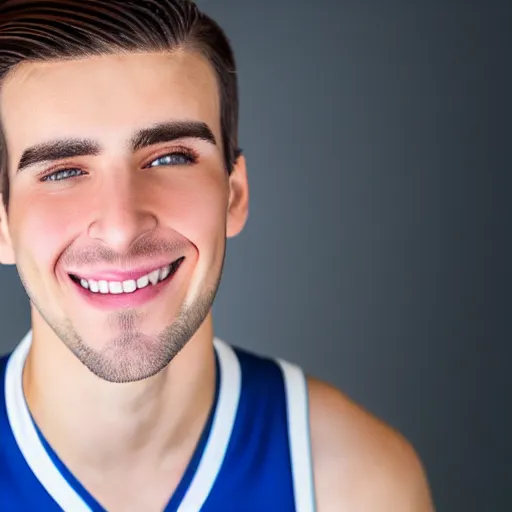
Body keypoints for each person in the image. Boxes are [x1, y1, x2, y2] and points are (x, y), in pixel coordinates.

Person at [0, 1, 434, 510]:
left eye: (169, 157)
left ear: (234, 194)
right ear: (2, 223)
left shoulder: (352, 482)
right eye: (62, 172)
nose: (120, 228)